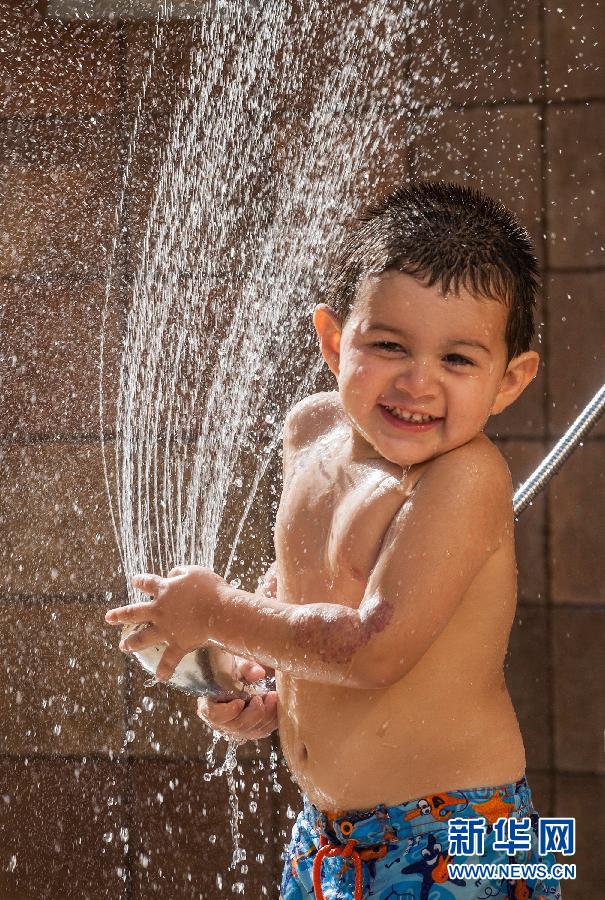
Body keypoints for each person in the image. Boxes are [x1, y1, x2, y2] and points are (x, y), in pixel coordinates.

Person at [105, 181, 563, 899]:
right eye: (387, 345)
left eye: (457, 360)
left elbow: (373, 649)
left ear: (509, 381)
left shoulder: (464, 477)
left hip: (467, 829)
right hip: (328, 835)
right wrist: (253, 675)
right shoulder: (310, 432)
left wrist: (217, 612)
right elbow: (295, 594)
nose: (417, 383)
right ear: (331, 339)